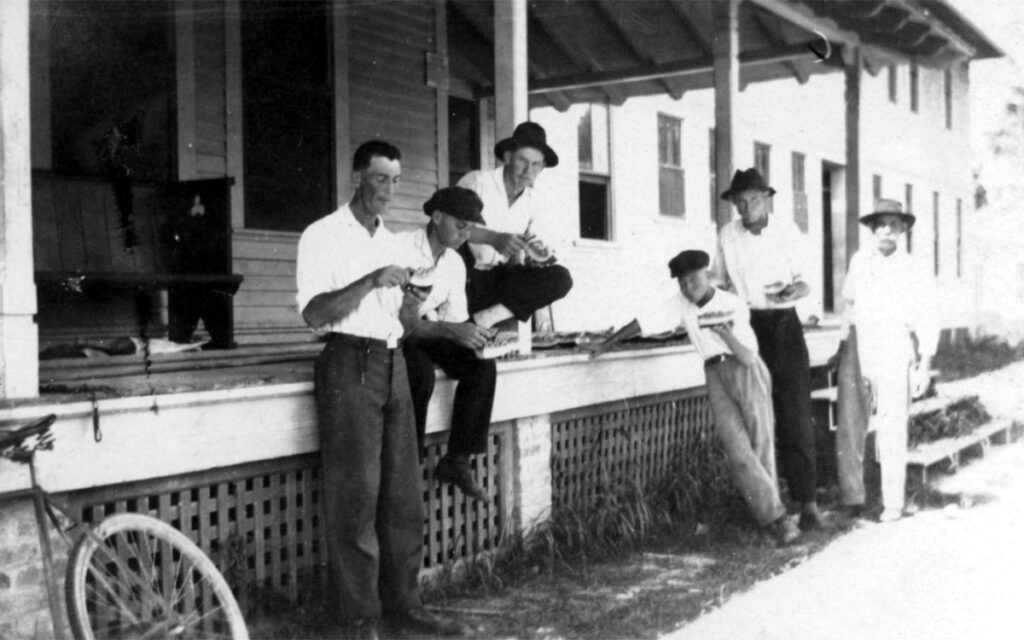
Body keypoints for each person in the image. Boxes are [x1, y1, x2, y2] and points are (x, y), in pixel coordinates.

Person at [295, 140, 467, 640]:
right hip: (349, 363)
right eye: (379, 179)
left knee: (402, 496)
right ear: (356, 177)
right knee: (357, 497)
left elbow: (405, 320)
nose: (388, 190)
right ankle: (359, 619)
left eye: (395, 180)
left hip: (393, 363)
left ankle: (405, 606)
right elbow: (314, 314)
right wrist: (372, 279)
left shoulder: (392, 241)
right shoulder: (322, 235)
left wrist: (417, 301)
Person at [587, 250, 801, 546]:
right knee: (738, 450)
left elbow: (749, 356)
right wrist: (606, 344)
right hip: (714, 372)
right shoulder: (680, 303)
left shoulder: (731, 303)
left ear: (708, 274)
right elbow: (644, 321)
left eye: (693, 279)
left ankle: (774, 523)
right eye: (682, 282)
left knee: (760, 444)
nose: (688, 287)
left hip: (746, 369)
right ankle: (773, 518)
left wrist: (724, 333)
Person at [714, 168, 823, 530]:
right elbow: (719, 282)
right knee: (759, 417)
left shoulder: (787, 230)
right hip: (748, 327)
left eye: (754, 201)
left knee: (794, 412)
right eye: (740, 202)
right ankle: (771, 507)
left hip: (784, 326)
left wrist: (794, 291)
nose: (747, 209)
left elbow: (807, 281)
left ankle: (808, 503)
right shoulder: (727, 235)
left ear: (767, 199)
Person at [831, 199, 938, 522]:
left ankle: (893, 502)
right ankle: (853, 499)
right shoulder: (860, 260)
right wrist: (840, 344)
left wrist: (924, 364)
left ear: (903, 229)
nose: (886, 230)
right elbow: (849, 305)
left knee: (892, 425)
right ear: (872, 229)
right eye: (880, 224)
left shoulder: (914, 267)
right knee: (850, 425)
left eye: (893, 224)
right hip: (860, 345)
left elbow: (928, 317)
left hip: (894, 347)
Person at [401, 187, 497, 503]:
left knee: (481, 362)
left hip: (430, 331)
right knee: (420, 374)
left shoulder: (454, 262)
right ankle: (407, 467)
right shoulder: (402, 249)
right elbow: (400, 325)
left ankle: (457, 460)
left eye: (470, 228)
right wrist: (451, 330)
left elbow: (453, 319)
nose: (464, 234)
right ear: (437, 216)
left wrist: (472, 337)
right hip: (393, 335)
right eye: (460, 225)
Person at [457, 121, 573, 329]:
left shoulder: (532, 202)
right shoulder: (478, 182)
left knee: (561, 278)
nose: (529, 170)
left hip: (498, 278)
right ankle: (482, 321)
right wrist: (494, 238)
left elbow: (520, 250)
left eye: (536, 164)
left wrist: (533, 261)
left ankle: (487, 318)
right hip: (464, 276)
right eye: (523, 160)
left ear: (542, 167)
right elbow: (452, 228)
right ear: (509, 157)